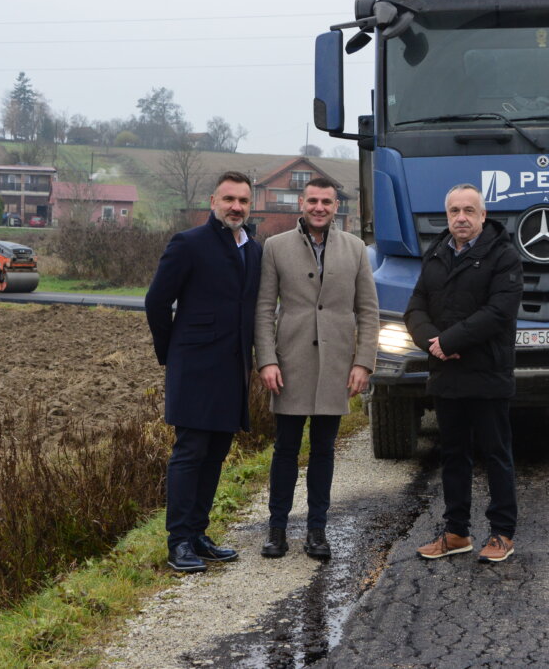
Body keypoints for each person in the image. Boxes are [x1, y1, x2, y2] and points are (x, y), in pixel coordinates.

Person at [255, 177, 379, 560]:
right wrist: (267, 359)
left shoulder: (356, 249)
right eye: (313, 201)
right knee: (285, 450)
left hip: (336, 367)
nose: (319, 207)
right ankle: (277, 530)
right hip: (289, 365)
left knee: (324, 450)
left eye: (327, 201)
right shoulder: (275, 247)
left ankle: (317, 531)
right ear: (302, 204)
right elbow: (264, 309)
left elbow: (368, 311)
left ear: (336, 206)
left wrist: (363, 363)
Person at [145, 171, 262, 573]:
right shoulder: (188, 243)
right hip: (194, 367)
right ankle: (178, 542)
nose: (236, 207)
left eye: (243, 201)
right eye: (229, 199)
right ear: (213, 201)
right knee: (190, 452)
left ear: (250, 205)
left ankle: (197, 534)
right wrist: (172, 353)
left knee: (215, 453)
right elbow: (156, 302)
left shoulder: (253, 250)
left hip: (233, 369)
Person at [405, 183, 523, 564]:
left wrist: (450, 340)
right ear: (447, 215)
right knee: (453, 456)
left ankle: (502, 533)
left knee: (496, 455)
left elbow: (499, 312)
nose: (461, 218)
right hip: (447, 374)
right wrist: (433, 343)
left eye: (469, 210)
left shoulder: (504, 256)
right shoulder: (436, 254)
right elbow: (415, 308)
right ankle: (456, 533)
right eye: (454, 211)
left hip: (487, 373)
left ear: (483, 216)